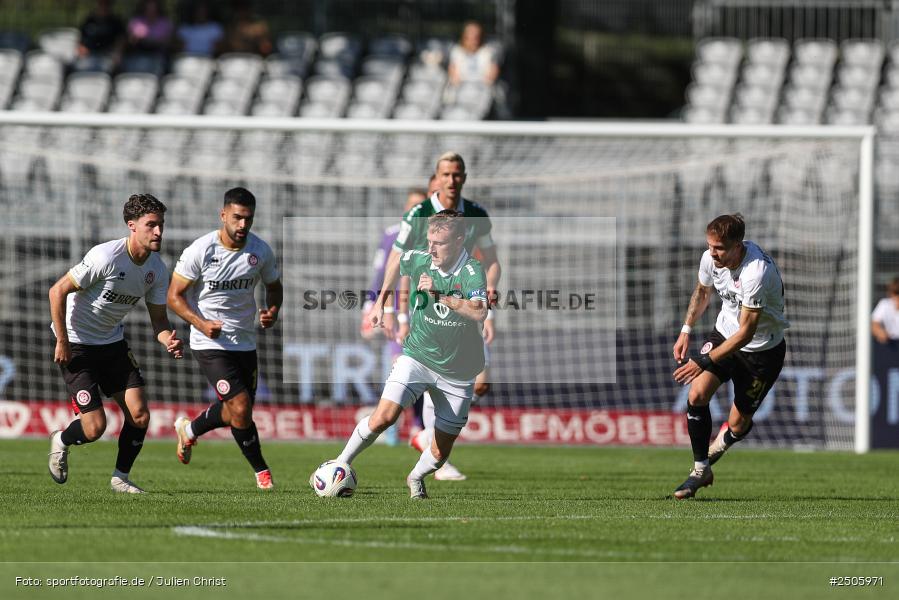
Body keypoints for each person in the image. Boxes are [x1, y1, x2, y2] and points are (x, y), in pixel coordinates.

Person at [329, 210, 489, 499]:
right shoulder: (420, 259)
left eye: (439, 243)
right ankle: (340, 465)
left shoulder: (471, 270)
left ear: (458, 240)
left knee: (439, 453)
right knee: (383, 417)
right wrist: (381, 302)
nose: (431, 248)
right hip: (417, 357)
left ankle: (415, 477)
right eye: (429, 241)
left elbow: (479, 311)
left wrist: (440, 294)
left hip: (458, 370)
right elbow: (396, 260)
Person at [47, 194, 183, 494]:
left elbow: (159, 320)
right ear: (132, 226)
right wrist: (62, 340)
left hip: (112, 343)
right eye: (152, 225)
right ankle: (62, 439)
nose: (159, 232)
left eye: (161, 225)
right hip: (77, 343)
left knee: (140, 414)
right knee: (95, 428)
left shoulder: (157, 270)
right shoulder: (106, 256)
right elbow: (57, 291)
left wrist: (168, 340)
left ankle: (120, 478)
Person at [384, 154, 500, 481]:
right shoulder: (419, 215)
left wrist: (489, 293)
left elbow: (491, 260)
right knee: (438, 375)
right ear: (436, 177)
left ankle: (427, 440)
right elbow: (401, 262)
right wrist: (396, 311)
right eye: (445, 174)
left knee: (482, 383)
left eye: (457, 174)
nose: (451, 180)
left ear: (464, 176)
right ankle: (434, 452)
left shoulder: (476, 215)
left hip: (465, 307)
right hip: (428, 311)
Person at [167, 187, 282, 490]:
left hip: (245, 341)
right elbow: (174, 297)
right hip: (209, 343)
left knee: (236, 413)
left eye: (248, 219)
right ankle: (262, 473)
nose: (243, 225)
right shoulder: (201, 250)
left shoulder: (260, 251)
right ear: (223, 215)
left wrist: (272, 310)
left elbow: (274, 286)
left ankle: (189, 429)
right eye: (237, 218)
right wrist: (201, 324)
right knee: (241, 407)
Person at [671, 214, 789, 499]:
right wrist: (686, 329)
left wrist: (705, 360)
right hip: (725, 334)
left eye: (719, 248)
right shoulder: (710, 259)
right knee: (696, 395)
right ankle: (701, 469)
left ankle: (722, 443)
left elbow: (746, 333)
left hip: (761, 351)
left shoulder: (756, 272)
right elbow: (703, 290)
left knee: (738, 424)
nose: (713, 253)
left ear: (739, 245)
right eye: (710, 246)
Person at [75, 0, 127, 73]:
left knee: (107, 67)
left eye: (106, 4)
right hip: (90, 55)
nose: (103, 7)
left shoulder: (116, 22)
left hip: (108, 55)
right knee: (81, 66)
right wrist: (81, 51)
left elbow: (121, 40)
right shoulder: (89, 21)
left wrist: (117, 54)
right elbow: (82, 42)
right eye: (101, 4)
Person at [124, 0, 173, 75]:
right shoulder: (136, 21)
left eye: (153, 7)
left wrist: (154, 42)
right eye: (148, 7)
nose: (151, 10)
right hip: (138, 55)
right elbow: (131, 40)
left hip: (157, 57)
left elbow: (167, 42)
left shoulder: (165, 23)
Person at [447, 21, 500, 86]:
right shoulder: (456, 52)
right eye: (469, 37)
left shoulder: (488, 52)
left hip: (483, 90)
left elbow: (492, 73)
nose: (472, 40)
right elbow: (453, 74)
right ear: (464, 37)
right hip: (461, 89)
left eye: (476, 37)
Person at [872, 277, 899, 344]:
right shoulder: (884, 304)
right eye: (896, 294)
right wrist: (880, 332)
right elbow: (874, 324)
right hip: (889, 346)